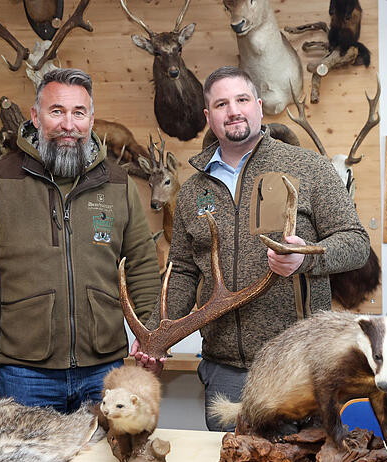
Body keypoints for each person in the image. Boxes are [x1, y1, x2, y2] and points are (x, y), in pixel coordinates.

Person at [132, 66, 370, 430]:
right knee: (232, 457)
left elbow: (356, 243)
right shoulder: (194, 190)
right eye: (221, 104)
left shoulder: (309, 168)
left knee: (300, 458)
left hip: (297, 364)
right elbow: (182, 271)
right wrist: (153, 336)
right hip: (224, 369)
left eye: (242, 100)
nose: (233, 111)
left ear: (258, 106)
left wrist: (305, 258)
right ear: (208, 116)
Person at [0, 68, 161, 413]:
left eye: (79, 113)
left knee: (103, 450)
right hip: (23, 372)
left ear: (91, 120)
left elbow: (142, 266)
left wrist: (152, 337)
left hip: (105, 369)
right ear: (36, 117)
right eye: (57, 111)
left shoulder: (118, 185)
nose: (68, 125)